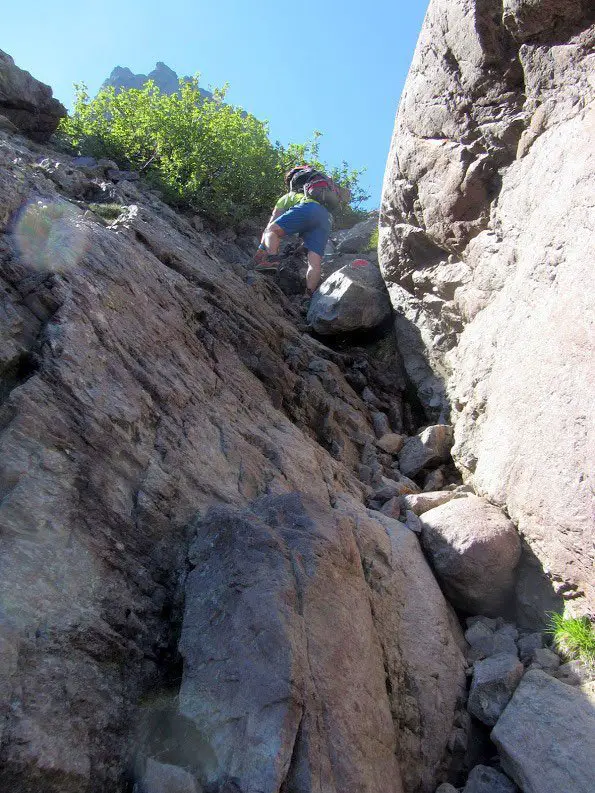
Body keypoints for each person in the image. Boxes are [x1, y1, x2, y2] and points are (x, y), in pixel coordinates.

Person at [254, 169, 335, 295]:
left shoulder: (289, 196)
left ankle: (271, 261)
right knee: (315, 262)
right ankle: (308, 297)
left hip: (308, 208)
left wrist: (261, 248)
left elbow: (272, 226)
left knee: (272, 230)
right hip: (326, 218)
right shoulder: (318, 199)